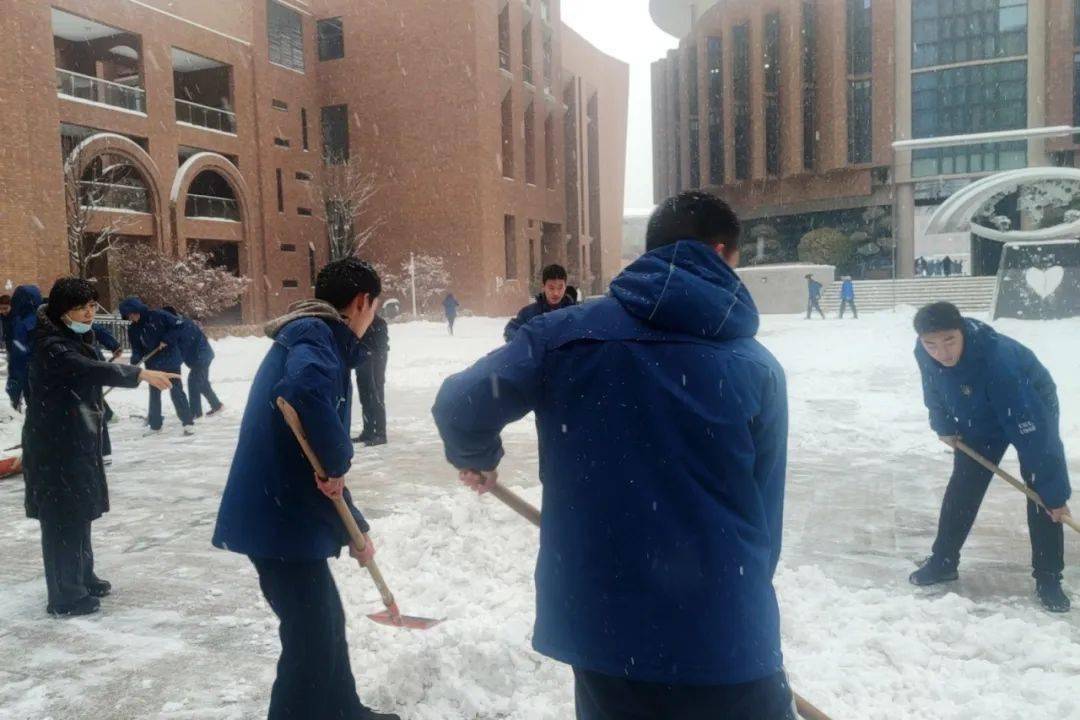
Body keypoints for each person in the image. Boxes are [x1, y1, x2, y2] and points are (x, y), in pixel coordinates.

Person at [433, 190, 794, 720]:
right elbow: (766, 517)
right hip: (726, 632)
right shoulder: (756, 367)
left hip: (608, 629)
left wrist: (479, 455)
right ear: (722, 253)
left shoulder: (563, 337)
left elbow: (461, 404)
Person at [212, 258, 398, 720]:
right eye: (373, 307)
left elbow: (316, 456)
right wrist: (340, 459)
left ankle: (343, 710)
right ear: (362, 302)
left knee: (326, 624)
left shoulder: (315, 337)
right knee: (310, 638)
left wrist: (355, 524)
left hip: (285, 511)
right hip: (278, 518)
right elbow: (307, 396)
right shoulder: (315, 337)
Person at [22, 278, 178, 616]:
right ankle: (65, 595)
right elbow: (86, 369)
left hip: (76, 437)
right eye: (82, 307)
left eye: (93, 306)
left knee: (79, 509)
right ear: (63, 311)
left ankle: (82, 576)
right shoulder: (51, 344)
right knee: (63, 516)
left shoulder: (76, 336)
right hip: (54, 444)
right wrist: (137, 374)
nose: (90, 313)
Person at [910, 301, 1072, 613]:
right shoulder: (925, 352)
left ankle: (1049, 576)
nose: (941, 353)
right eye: (931, 344)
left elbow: (1037, 439)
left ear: (962, 333)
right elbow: (933, 388)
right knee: (964, 486)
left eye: (949, 341)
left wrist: (1054, 494)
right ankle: (943, 560)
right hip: (978, 412)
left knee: (1040, 491)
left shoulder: (999, 362)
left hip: (1028, 402)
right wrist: (943, 423)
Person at [118, 297, 195, 435]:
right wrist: (135, 361)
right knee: (154, 394)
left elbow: (180, 326)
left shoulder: (159, 315)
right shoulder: (133, 329)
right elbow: (136, 348)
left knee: (176, 391)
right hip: (152, 363)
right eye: (128, 316)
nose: (132, 318)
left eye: (132, 314)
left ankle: (188, 423)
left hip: (170, 359)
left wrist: (167, 339)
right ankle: (155, 425)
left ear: (138, 310)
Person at [165, 308, 223, 419]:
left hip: (201, 358)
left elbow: (183, 347)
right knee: (202, 383)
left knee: (193, 383)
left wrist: (174, 360)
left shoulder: (184, 326)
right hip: (202, 356)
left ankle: (196, 413)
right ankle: (217, 405)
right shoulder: (180, 325)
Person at [503, 264, 576, 342]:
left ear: (565, 287)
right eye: (551, 288)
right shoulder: (529, 314)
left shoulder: (575, 313)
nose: (556, 293)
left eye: (560, 287)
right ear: (543, 286)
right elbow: (511, 331)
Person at [7, 285, 44, 411]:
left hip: (31, 374)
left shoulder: (22, 324)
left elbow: (18, 357)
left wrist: (14, 387)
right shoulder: (49, 317)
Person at [354, 314, 388, 446]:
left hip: (375, 359)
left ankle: (380, 433)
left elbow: (381, 344)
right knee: (365, 395)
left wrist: (371, 353)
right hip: (362, 359)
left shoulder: (377, 322)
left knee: (376, 394)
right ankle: (368, 431)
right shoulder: (360, 320)